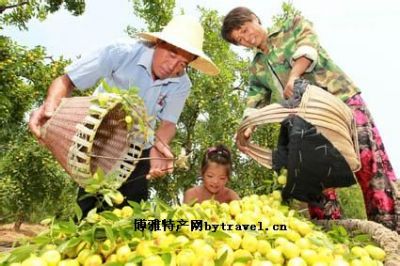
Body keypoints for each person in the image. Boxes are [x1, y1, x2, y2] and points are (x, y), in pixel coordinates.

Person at [221, 7, 398, 231]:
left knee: (368, 162)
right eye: (240, 40)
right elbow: (254, 99)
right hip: (307, 123)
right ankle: (331, 235)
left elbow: (307, 47)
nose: (246, 39)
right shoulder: (257, 66)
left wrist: (294, 76)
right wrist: (248, 127)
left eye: (245, 30)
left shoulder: (292, 26)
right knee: (314, 179)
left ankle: (390, 231)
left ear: (255, 19)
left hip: (341, 101)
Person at [28, 15, 219, 217]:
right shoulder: (121, 52)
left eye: (183, 63)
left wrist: (158, 146)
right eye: (172, 55)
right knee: (89, 211)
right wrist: (50, 107)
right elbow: (67, 80)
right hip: (98, 146)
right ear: (158, 43)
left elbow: (169, 123)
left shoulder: (182, 84)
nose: (173, 67)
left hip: (137, 151)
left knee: (132, 218)